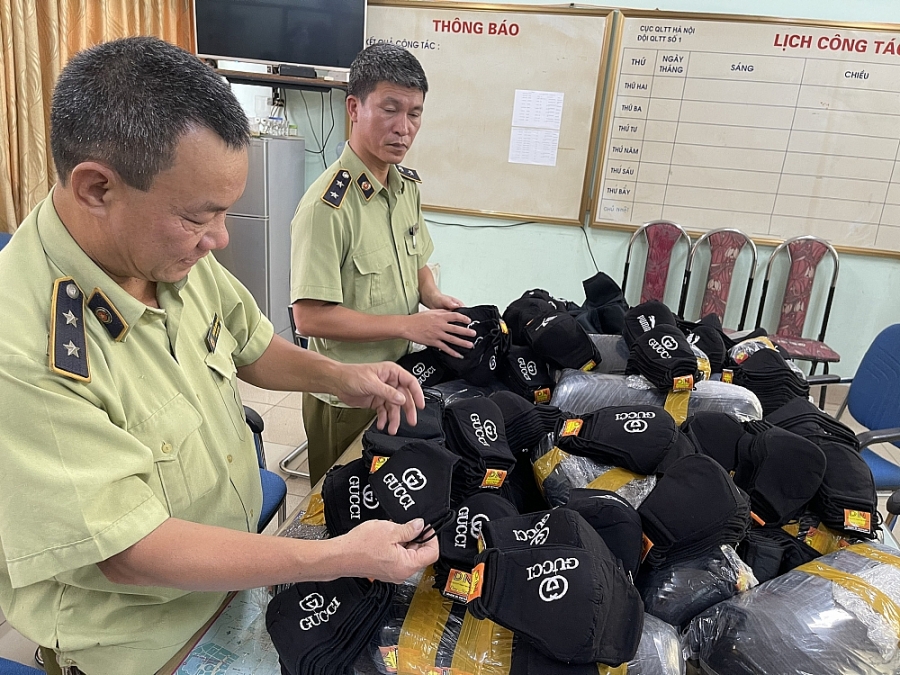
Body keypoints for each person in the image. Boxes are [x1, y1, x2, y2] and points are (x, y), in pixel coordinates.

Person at [0, 37, 439, 675]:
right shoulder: (23, 349)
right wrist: (339, 556)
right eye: (199, 217)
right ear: (97, 187)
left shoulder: (166, 251)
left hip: (236, 575)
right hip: (148, 641)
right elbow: (130, 551)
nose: (221, 238)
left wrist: (341, 376)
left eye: (226, 213)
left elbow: (250, 346)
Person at [290, 44, 476, 484]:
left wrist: (432, 296)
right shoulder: (326, 208)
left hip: (402, 377)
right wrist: (409, 326)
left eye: (415, 114)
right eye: (390, 109)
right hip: (345, 395)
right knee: (340, 503)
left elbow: (417, 260)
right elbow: (310, 318)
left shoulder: (405, 187)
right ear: (354, 108)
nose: (403, 128)